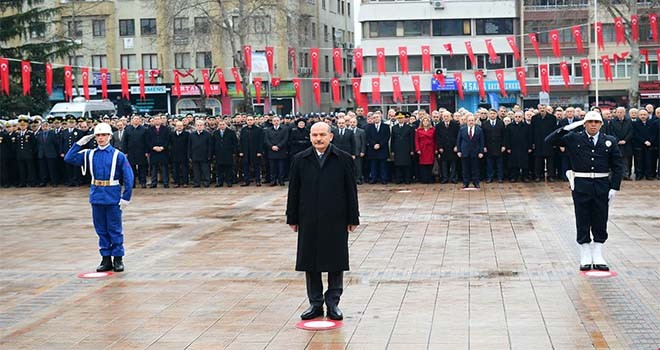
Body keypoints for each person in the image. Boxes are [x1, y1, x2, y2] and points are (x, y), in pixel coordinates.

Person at [287, 122, 359, 321]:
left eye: (322, 135)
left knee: (335, 261)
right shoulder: (300, 159)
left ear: (331, 136)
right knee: (310, 262)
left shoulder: (343, 159)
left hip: (336, 218)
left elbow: (351, 190)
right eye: (314, 135)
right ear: (310, 137)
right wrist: (291, 217)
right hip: (308, 218)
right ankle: (315, 303)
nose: (318, 139)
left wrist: (353, 217)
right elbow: (293, 191)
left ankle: (333, 302)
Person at [545, 111, 623, 272]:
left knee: (600, 218)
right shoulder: (574, 138)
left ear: (601, 124)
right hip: (581, 184)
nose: (593, 124)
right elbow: (550, 140)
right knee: (583, 218)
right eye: (589, 122)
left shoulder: (610, 141)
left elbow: (617, 166)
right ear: (584, 123)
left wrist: (614, 187)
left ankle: (598, 253)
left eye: (596, 122)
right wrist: (569, 127)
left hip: (602, 185)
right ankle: (585, 253)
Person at [64, 123, 134, 272]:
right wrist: (79, 143)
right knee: (101, 229)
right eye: (98, 135)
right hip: (96, 195)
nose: (101, 138)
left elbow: (128, 177)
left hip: (113, 195)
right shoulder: (89, 153)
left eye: (103, 135)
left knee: (114, 228)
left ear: (109, 136)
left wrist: (126, 197)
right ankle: (106, 259)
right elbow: (69, 158)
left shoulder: (118, 155)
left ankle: (118, 258)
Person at [456, 115, 484, 189]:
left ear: (474, 121)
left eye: (472, 120)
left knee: (475, 168)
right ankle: (465, 183)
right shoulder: (462, 129)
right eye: (469, 120)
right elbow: (459, 141)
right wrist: (459, 150)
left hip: (475, 152)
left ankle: (476, 183)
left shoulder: (479, 129)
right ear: (467, 121)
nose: (471, 122)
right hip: (465, 151)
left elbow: (482, 141)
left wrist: (481, 152)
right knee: (465, 169)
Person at [505, 112, 533, 182]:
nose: (518, 118)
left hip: (524, 147)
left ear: (522, 117)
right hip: (513, 147)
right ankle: (514, 177)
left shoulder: (526, 126)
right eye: (516, 116)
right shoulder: (509, 126)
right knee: (513, 163)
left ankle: (525, 177)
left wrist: (530, 147)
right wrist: (508, 147)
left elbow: (529, 137)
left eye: (519, 117)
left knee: (525, 163)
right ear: (514, 117)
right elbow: (507, 138)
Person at [123, 115, 149, 188]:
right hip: (131, 152)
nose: (136, 120)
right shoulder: (127, 129)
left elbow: (147, 141)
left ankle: (143, 182)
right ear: (132, 120)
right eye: (135, 119)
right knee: (131, 168)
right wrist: (125, 152)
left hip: (141, 152)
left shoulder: (144, 129)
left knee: (142, 168)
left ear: (140, 120)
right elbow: (125, 142)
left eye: (138, 119)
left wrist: (147, 151)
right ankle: (132, 183)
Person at [365, 111, 391, 184]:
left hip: (382, 149)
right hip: (372, 149)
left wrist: (379, 144)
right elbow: (368, 137)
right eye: (374, 118)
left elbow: (387, 137)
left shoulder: (386, 126)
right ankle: (373, 179)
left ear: (380, 118)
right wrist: (374, 144)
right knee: (373, 166)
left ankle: (384, 179)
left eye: (377, 117)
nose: (376, 119)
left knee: (383, 165)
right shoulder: (369, 127)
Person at [239, 116, 265, 187]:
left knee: (257, 166)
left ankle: (258, 181)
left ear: (254, 121)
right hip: (246, 151)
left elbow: (261, 141)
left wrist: (259, 151)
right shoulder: (243, 130)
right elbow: (240, 141)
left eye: (251, 120)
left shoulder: (259, 130)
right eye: (248, 120)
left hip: (255, 151)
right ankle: (246, 181)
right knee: (245, 166)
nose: (249, 121)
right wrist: (241, 151)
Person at [264, 116, 289, 186]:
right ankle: (273, 180)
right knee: (272, 167)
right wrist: (272, 146)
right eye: (274, 121)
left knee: (281, 167)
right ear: (272, 122)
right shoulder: (268, 130)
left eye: (277, 120)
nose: (276, 122)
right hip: (271, 151)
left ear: (280, 121)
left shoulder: (284, 129)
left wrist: (278, 146)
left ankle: (281, 180)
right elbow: (266, 140)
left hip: (281, 150)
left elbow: (285, 139)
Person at [390, 112, 415, 184]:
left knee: (407, 165)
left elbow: (411, 139)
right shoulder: (394, 128)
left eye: (401, 118)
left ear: (404, 118)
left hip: (406, 149)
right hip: (397, 149)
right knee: (398, 165)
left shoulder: (409, 128)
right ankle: (399, 179)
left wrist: (412, 149)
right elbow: (392, 140)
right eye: (399, 118)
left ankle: (407, 179)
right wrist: (392, 150)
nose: (400, 120)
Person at [146, 115, 170, 188]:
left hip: (163, 151)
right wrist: (153, 147)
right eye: (155, 119)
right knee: (154, 168)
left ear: (161, 120)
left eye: (158, 119)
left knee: (164, 167)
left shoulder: (166, 129)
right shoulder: (149, 129)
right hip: (153, 151)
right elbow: (148, 140)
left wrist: (162, 147)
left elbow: (168, 140)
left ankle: (165, 182)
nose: (157, 120)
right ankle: (154, 183)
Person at [212, 120, 238, 187]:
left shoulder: (231, 132)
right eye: (220, 124)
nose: (222, 126)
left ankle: (229, 181)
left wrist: (234, 152)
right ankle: (220, 182)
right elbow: (213, 143)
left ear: (226, 125)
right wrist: (214, 152)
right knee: (219, 169)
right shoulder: (215, 133)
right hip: (218, 153)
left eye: (223, 124)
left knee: (229, 168)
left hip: (228, 153)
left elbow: (235, 143)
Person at [436, 111, 460, 184]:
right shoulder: (439, 125)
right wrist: (440, 147)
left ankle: (453, 178)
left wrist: (456, 146)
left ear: (450, 117)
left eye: (447, 116)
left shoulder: (455, 125)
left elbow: (458, 136)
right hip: (443, 148)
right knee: (444, 164)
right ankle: (445, 178)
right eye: (444, 116)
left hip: (453, 147)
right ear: (442, 117)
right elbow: (438, 137)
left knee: (453, 164)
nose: (446, 118)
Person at [483, 109, 506, 183]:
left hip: (499, 147)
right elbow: (483, 136)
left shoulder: (501, 123)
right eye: (491, 113)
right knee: (489, 164)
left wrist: (503, 145)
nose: (492, 115)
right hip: (488, 147)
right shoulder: (485, 123)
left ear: (496, 114)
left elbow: (504, 135)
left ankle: (500, 177)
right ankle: (489, 177)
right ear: (489, 115)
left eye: (494, 113)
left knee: (500, 164)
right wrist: (484, 146)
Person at [188, 119, 213, 188]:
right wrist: (189, 155)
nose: (199, 126)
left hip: (204, 156)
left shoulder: (208, 134)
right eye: (198, 125)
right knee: (196, 171)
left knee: (205, 170)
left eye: (201, 125)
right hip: (195, 155)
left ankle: (206, 182)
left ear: (204, 126)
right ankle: (197, 183)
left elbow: (210, 146)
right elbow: (189, 146)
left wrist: (209, 155)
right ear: (195, 126)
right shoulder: (192, 135)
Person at [415, 116, 436, 184]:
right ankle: (424, 179)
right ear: (422, 122)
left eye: (427, 121)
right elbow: (416, 140)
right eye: (424, 121)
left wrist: (436, 149)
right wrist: (418, 149)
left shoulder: (433, 129)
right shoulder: (418, 130)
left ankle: (430, 179)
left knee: (430, 164)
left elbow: (435, 140)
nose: (425, 122)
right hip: (422, 149)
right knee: (423, 165)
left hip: (430, 149)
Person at [170, 121, 190, 188]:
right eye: (178, 126)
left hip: (184, 155)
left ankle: (185, 182)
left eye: (180, 126)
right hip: (174, 155)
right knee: (175, 170)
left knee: (185, 170)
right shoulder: (172, 134)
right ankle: (176, 182)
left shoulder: (187, 134)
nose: (179, 127)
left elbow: (188, 145)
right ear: (175, 126)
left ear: (183, 126)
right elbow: (170, 144)